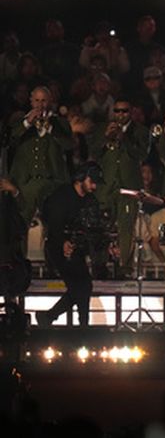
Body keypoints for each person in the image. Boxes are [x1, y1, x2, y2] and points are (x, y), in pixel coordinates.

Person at [35, 162, 105, 328]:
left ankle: (51, 317)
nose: (94, 186)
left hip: (78, 247)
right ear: (81, 178)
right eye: (91, 181)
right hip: (58, 247)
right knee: (82, 286)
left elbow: (95, 226)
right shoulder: (61, 196)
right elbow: (54, 224)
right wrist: (63, 242)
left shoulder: (90, 200)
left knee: (82, 286)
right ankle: (80, 325)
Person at [89, 95, 150, 277]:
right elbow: (93, 153)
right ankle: (99, 265)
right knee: (100, 227)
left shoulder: (141, 131)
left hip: (128, 186)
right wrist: (105, 137)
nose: (120, 114)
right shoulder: (101, 129)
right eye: (117, 111)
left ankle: (125, 267)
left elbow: (141, 155)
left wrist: (124, 138)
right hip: (106, 186)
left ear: (131, 112)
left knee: (126, 227)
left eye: (124, 111)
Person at [8, 85, 73, 224]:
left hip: (53, 182)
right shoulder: (19, 122)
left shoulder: (60, 123)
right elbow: (10, 141)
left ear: (50, 101)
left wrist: (50, 128)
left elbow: (69, 145)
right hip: (24, 183)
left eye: (44, 100)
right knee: (21, 222)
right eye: (37, 100)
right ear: (31, 101)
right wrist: (27, 123)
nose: (40, 104)